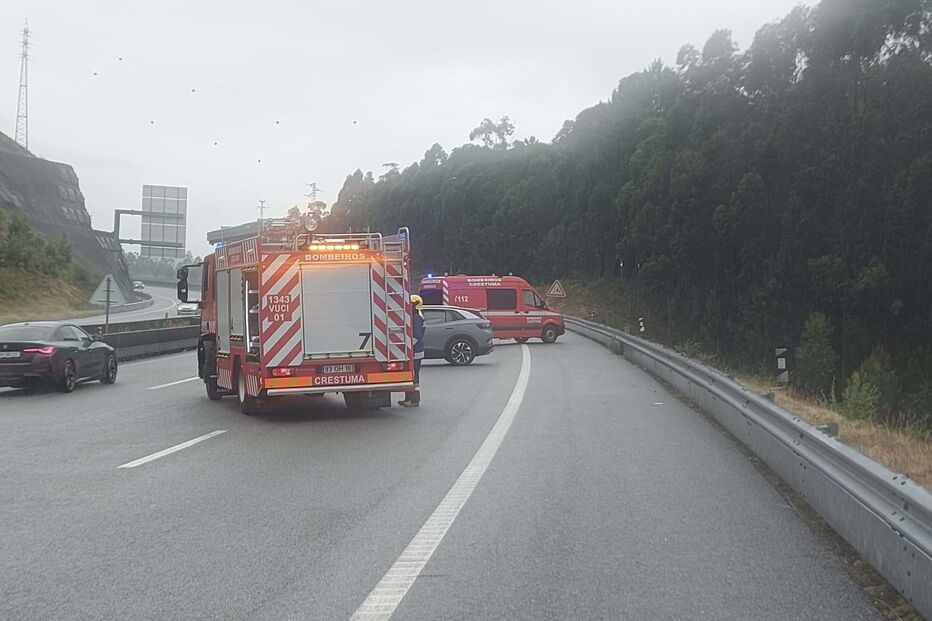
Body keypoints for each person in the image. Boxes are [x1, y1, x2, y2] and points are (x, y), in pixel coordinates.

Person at [399, 294, 425, 407]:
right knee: (411, 375)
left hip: (416, 352)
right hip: (415, 351)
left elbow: (417, 335)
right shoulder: (415, 316)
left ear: (415, 305)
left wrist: (409, 349)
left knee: (414, 376)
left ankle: (414, 400)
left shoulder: (417, 317)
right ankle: (408, 399)